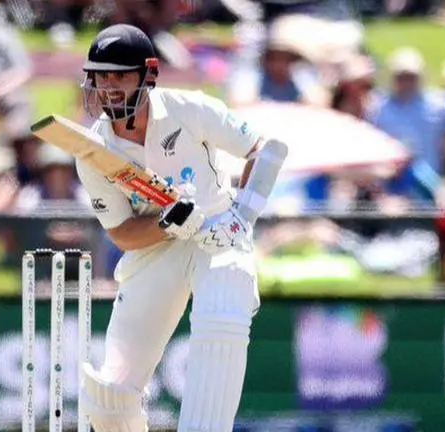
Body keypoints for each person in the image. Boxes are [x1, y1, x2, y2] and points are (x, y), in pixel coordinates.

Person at [73, 24, 287, 431]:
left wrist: (242, 216)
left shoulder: (189, 109)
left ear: (148, 75)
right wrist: (168, 223)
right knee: (108, 400)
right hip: (156, 248)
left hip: (219, 233)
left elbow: (263, 150)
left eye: (120, 76)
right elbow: (122, 233)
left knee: (224, 304)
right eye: (101, 77)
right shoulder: (93, 152)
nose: (109, 87)